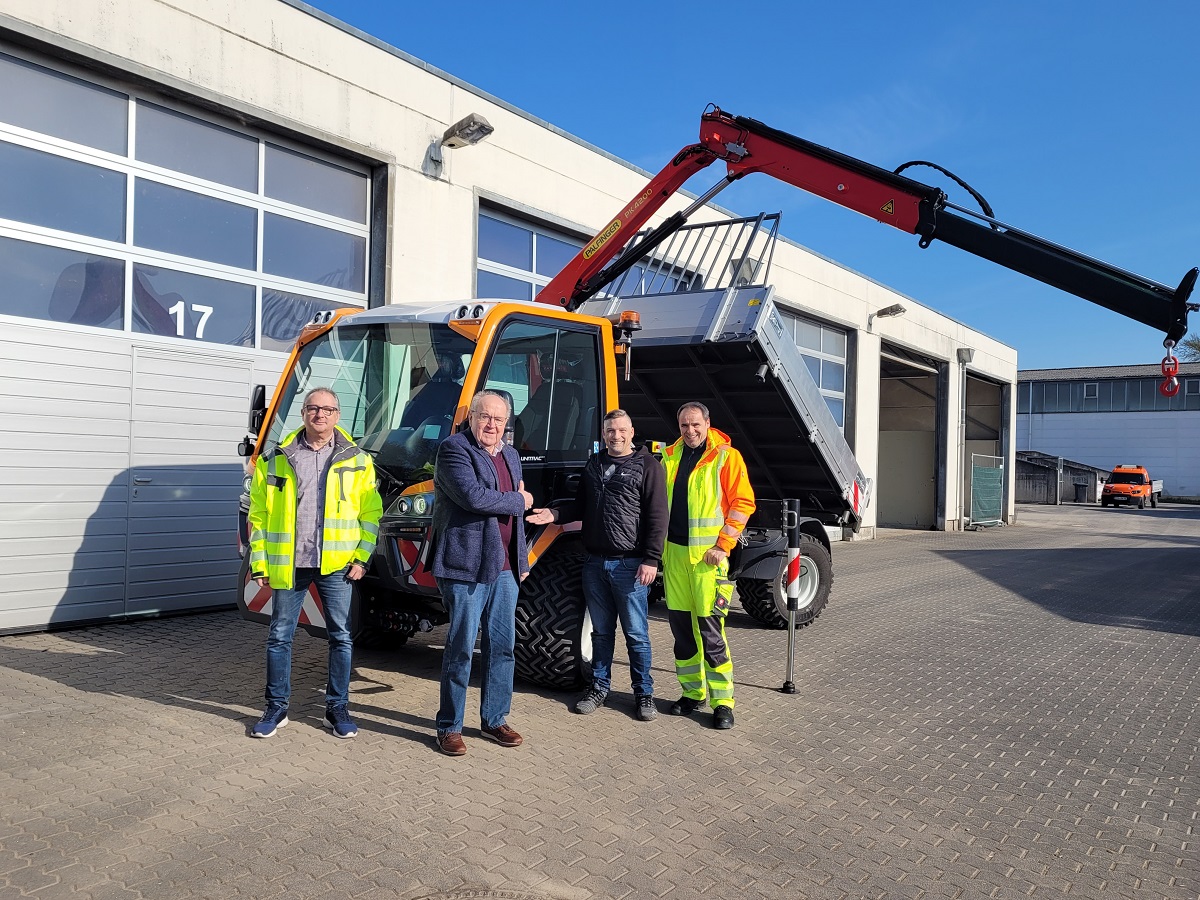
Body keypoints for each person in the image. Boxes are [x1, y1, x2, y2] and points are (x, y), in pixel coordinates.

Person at [247, 387, 382, 739]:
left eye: (328, 409)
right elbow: (259, 515)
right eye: (312, 408)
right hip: (289, 564)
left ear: (338, 415)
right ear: (304, 413)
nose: (320, 414)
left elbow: (371, 513)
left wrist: (362, 557)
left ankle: (337, 709)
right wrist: (259, 562)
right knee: (279, 636)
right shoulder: (275, 459)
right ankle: (276, 708)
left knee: (341, 637)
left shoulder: (358, 460)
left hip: (337, 564)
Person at [527, 409, 667, 721]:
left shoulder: (648, 466)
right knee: (601, 633)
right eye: (609, 431)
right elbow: (581, 506)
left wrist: (651, 560)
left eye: (620, 430)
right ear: (603, 434)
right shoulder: (595, 463)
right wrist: (554, 515)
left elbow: (658, 517)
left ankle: (644, 694)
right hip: (594, 564)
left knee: (637, 635)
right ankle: (599, 687)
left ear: (631, 431)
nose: (615, 436)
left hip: (630, 566)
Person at [430, 390, 535, 756]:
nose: (491, 425)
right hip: (467, 565)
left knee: (503, 648)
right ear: (471, 417)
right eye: (484, 417)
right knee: (460, 648)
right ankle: (449, 726)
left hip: (506, 567)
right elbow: (473, 497)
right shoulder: (454, 449)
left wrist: (521, 560)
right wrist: (520, 500)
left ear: (507, 423)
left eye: (499, 419)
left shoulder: (511, 454)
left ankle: (494, 720)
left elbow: (513, 518)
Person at [661, 401, 755, 730]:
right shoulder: (669, 456)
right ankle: (692, 693)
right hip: (674, 557)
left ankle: (723, 702)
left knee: (711, 634)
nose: (690, 431)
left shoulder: (726, 457)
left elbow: (743, 503)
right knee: (683, 633)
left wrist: (722, 545)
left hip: (707, 561)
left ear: (707, 423)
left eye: (696, 425)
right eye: (685, 426)